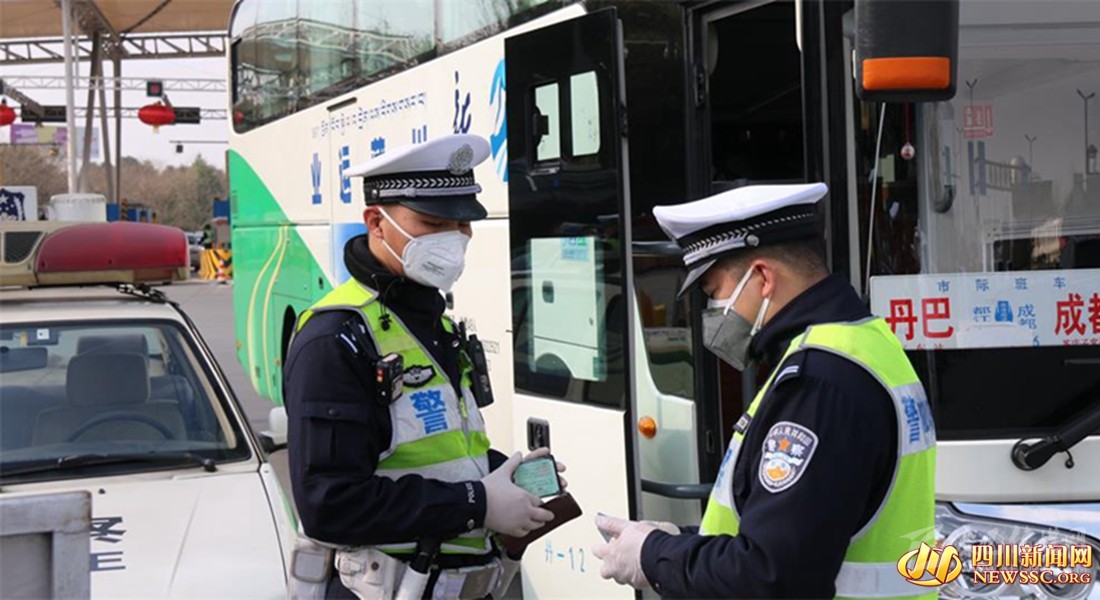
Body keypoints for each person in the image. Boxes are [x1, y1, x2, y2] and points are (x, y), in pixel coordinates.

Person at [593, 183, 937, 599]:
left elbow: (772, 576)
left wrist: (654, 556)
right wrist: (677, 541)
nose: (712, 312)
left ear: (762, 278)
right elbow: (795, 531)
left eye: (714, 293)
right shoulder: (863, 343)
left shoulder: (818, 383)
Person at [284, 133, 556, 599]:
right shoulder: (335, 339)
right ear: (376, 222)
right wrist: (477, 503)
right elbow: (328, 504)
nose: (454, 238)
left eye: (463, 223)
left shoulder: (436, 323)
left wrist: (503, 473)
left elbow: (438, 451)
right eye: (433, 222)